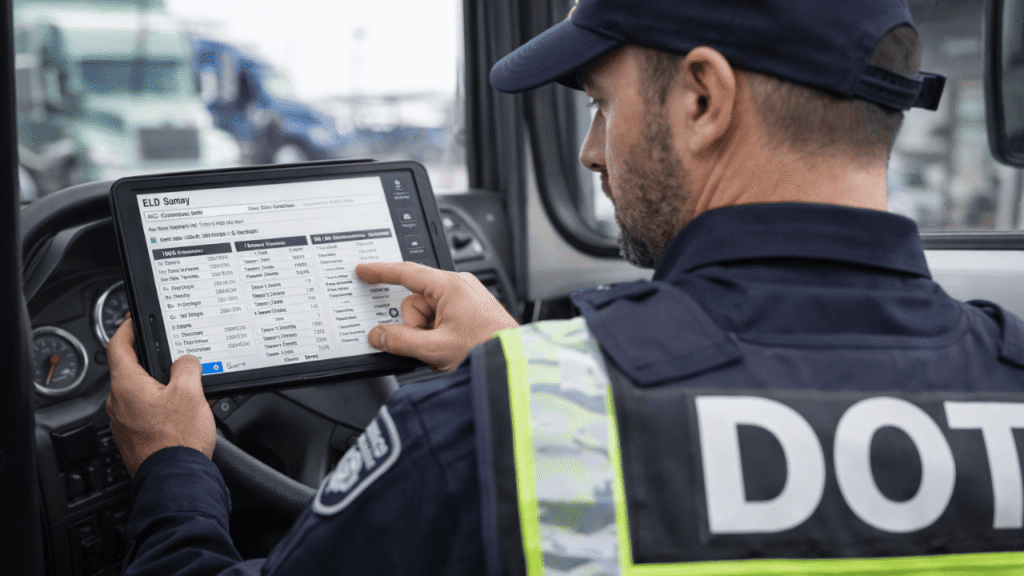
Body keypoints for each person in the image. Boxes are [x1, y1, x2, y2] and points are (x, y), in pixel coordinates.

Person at [106, 0, 1024, 574]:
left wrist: (175, 468)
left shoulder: (496, 422)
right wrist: (521, 358)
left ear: (703, 99)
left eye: (602, 105)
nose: (591, 151)